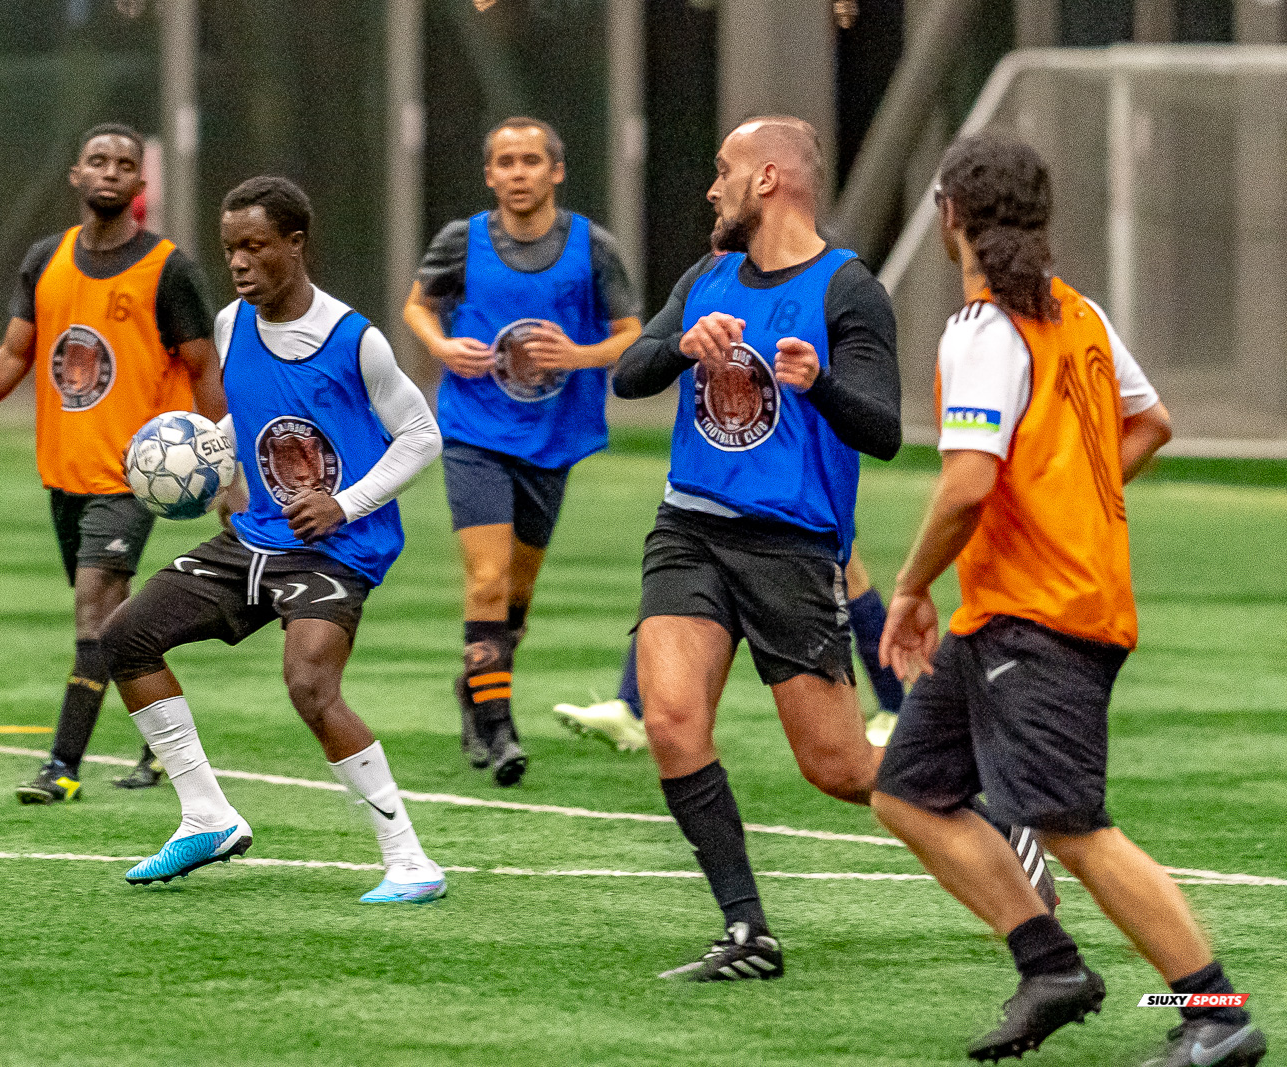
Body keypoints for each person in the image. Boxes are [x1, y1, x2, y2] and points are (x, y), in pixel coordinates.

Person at [872, 135, 1265, 1066]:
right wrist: (1071, 506)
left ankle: (1218, 1012)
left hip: (1038, 615)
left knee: (1072, 826)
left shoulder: (982, 329)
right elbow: (1152, 422)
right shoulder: (1075, 313)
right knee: (909, 791)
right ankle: (1049, 964)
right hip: (1011, 615)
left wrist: (910, 583)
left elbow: (969, 485)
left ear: (952, 217)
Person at [97, 176, 448, 903]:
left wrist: (344, 504)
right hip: (257, 536)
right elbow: (249, 424)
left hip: (337, 547)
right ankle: (207, 815)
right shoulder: (230, 325)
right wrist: (205, 459)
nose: (241, 262)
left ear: (296, 243)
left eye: (256, 246)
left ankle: (410, 860)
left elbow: (421, 436)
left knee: (310, 685)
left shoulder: (357, 341)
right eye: (231, 249)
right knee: (125, 636)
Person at [612, 115, 906, 981]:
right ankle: (747, 931)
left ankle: (973, 798)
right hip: (689, 530)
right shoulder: (707, 276)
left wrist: (821, 383)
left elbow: (885, 431)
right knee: (670, 721)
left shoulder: (850, 290)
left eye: (724, 170)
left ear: (769, 178)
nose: (712, 188)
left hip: (792, 546)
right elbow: (630, 370)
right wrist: (677, 346)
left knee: (840, 767)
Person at [0, 123, 223, 804]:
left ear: (141, 185)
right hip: (64, 473)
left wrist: (220, 458)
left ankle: (61, 766)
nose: (110, 172)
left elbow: (205, 370)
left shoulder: (169, 269)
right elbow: (13, 355)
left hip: (135, 474)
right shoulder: (46, 259)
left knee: (92, 612)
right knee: (115, 626)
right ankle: (162, 739)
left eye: (124, 164)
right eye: (97, 161)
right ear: (76, 176)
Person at [403, 116, 642, 786]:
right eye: (504, 162)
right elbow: (417, 306)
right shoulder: (463, 241)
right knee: (487, 577)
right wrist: (443, 347)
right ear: (489, 175)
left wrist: (581, 353)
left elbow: (631, 333)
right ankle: (500, 725)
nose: (517, 173)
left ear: (555, 171)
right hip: (475, 432)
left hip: (553, 438)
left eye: (530, 161)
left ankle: (474, 687)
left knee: (519, 594)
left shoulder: (591, 247)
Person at [552, 550, 904, 752]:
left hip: (803, 465)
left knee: (844, 569)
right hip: (729, 465)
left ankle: (895, 709)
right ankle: (631, 707)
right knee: (679, 567)